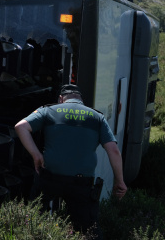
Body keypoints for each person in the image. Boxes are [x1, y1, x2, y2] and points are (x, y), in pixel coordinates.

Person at [14, 84, 127, 238]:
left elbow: (20, 127)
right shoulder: (97, 117)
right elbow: (113, 150)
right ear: (80, 99)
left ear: (61, 99)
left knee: (33, 221)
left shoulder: (48, 110)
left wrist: (36, 155)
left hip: (49, 177)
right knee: (88, 230)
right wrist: (119, 181)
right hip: (81, 183)